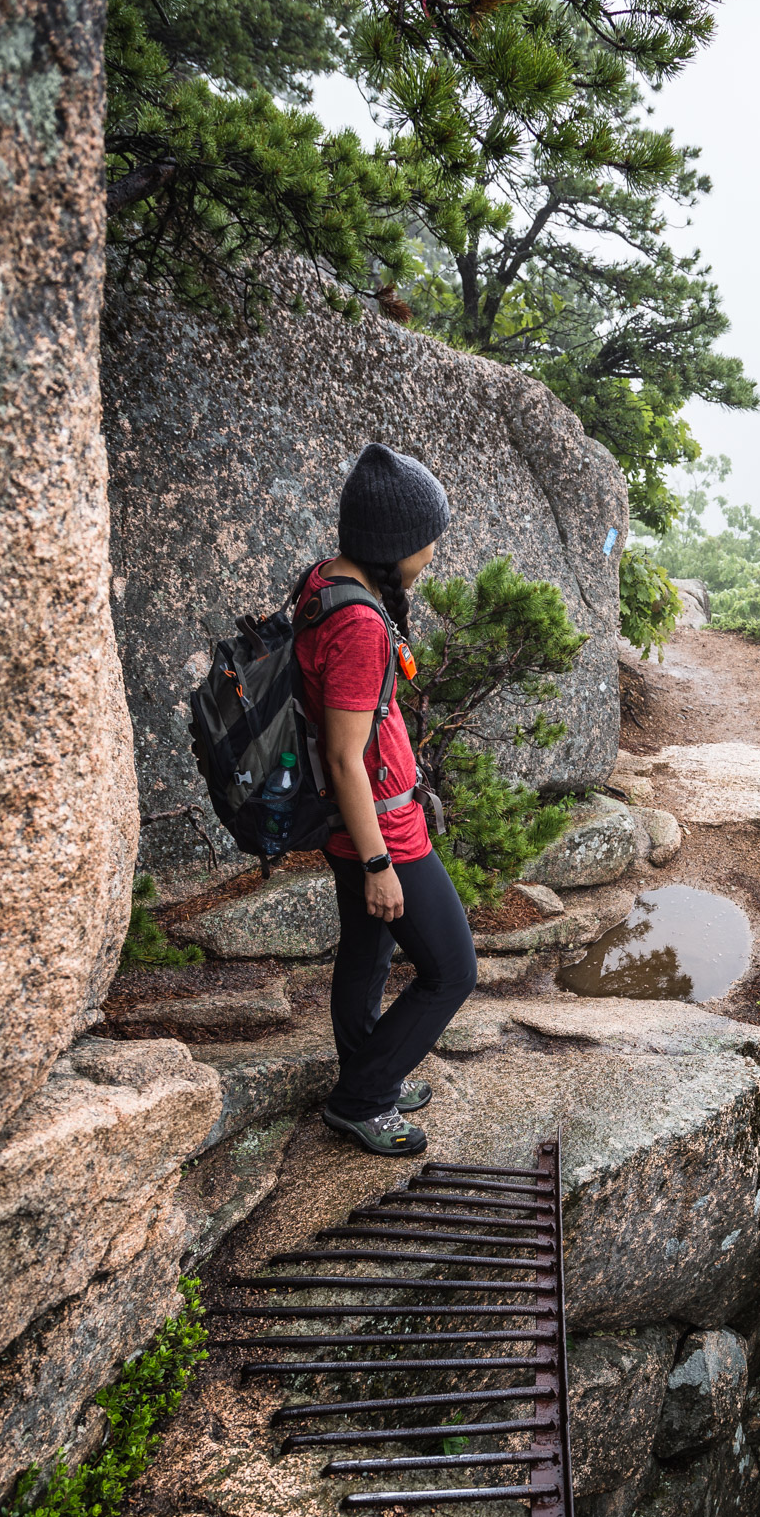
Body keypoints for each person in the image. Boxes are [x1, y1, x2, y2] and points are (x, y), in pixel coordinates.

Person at [293, 442, 477, 1155]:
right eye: (429, 538)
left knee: (367, 958)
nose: (433, 550)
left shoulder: (327, 582)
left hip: (359, 823)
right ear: (397, 543)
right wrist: (378, 865)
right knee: (451, 970)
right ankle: (363, 1097)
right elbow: (344, 754)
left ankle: (375, 1068)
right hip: (381, 831)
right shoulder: (362, 624)